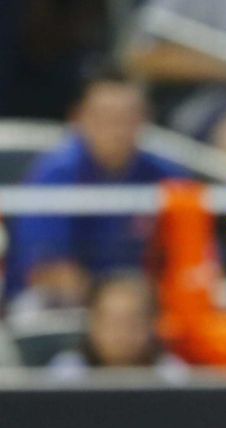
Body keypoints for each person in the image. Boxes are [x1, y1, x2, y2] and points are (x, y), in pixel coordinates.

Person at [5, 67, 188, 306]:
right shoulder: (53, 175)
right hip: (65, 302)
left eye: (128, 117)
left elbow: (190, 257)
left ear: (145, 118)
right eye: (106, 116)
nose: (117, 129)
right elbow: (45, 270)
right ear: (79, 117)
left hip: (143, 304)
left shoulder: (168, 176)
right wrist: (111, 302)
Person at [48, 272, 186, 382]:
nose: (121, 332)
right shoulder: (66, 374)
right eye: (112, 321)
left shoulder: (171, 376)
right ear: (93, 322)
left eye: (132, 322)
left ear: (151, 324)